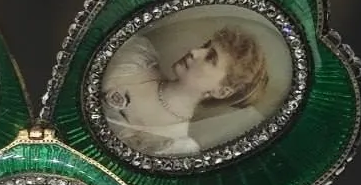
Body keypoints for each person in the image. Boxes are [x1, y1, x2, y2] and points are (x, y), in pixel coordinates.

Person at [101, 24, 268, 156]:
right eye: (205, 46)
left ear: (221, 91)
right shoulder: (137, 55)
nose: (194, 52)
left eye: (210, 57)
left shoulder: (175, 146)